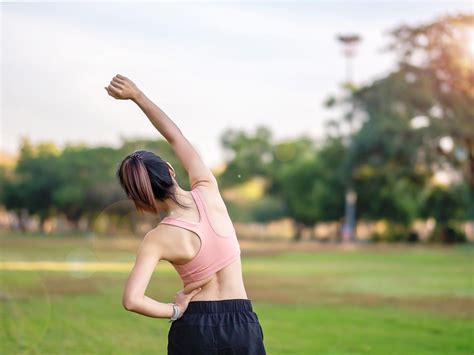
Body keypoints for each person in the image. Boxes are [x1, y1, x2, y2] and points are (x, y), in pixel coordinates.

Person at [105, 74, 266, 355]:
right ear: (169, 169)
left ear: (142, 197)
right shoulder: (208, 191)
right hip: (241, 324)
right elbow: (174, 136)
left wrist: (176, 310)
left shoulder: (157, 238)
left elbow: (132, 300)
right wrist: (137, 95)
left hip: (193, 327)